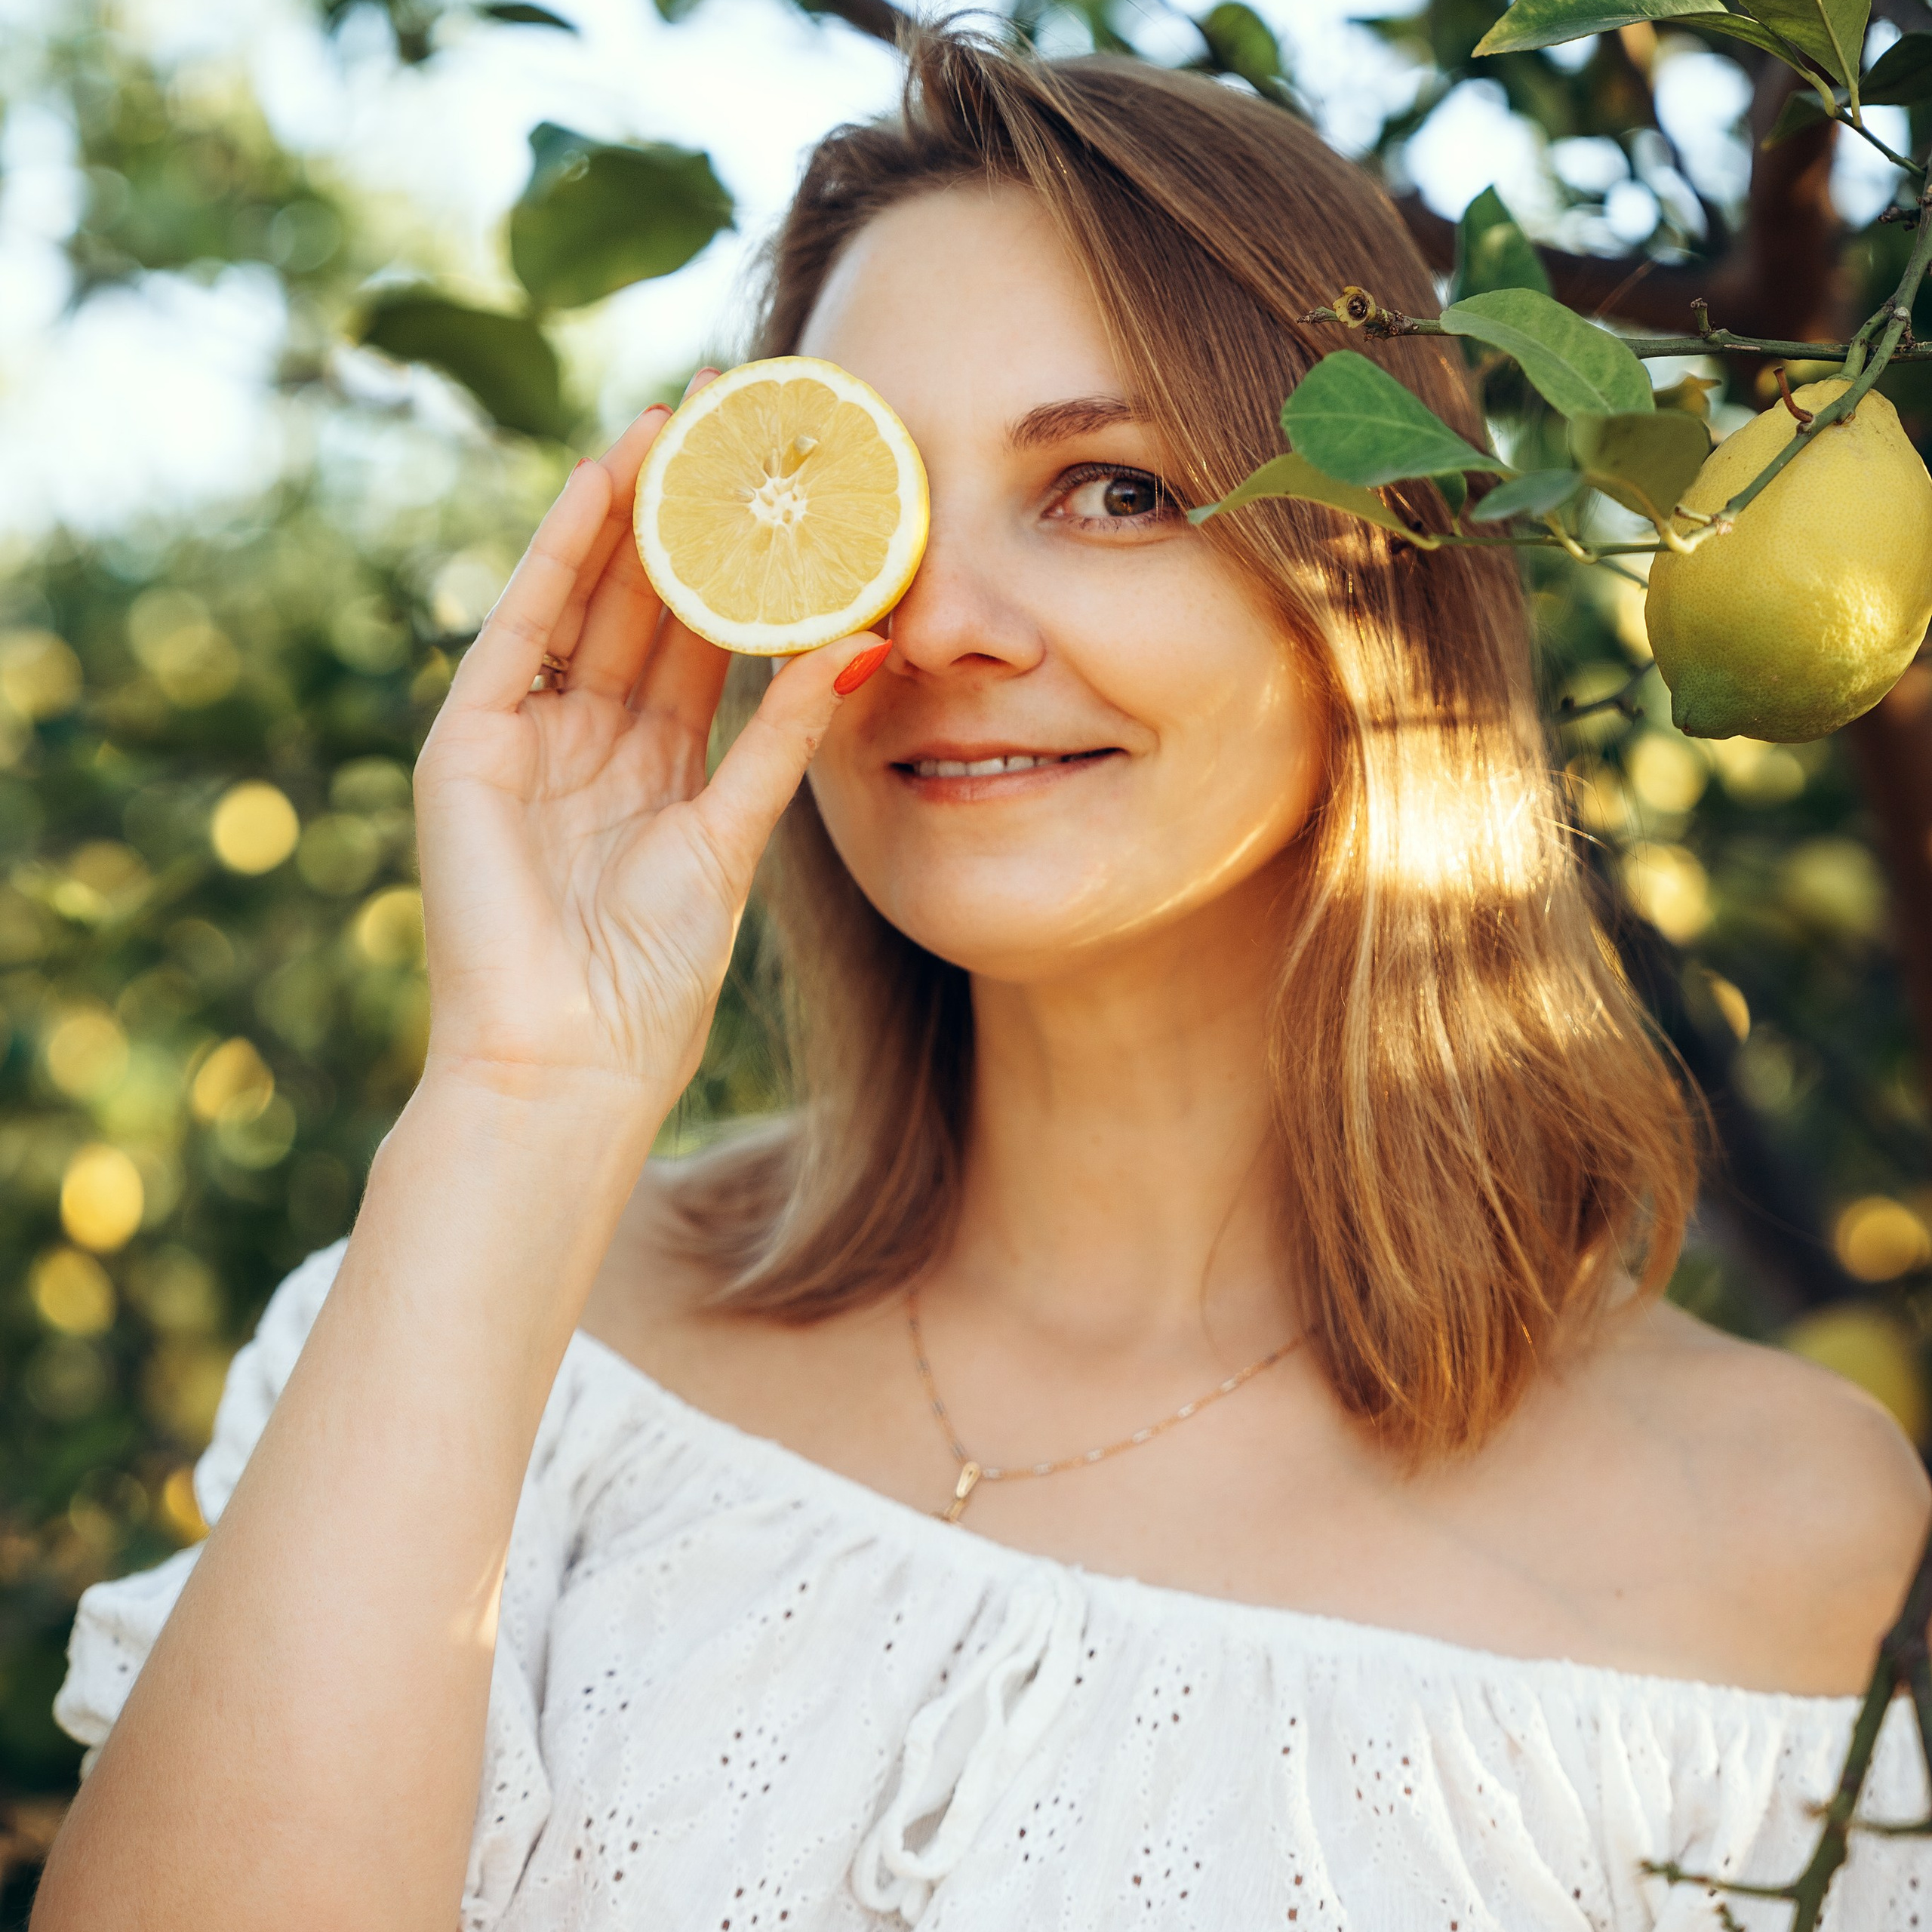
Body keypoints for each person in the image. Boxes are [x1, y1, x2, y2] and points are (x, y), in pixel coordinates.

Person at [32, 27, 1932, 1932]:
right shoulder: (499, 1343)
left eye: (1111, 488)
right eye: (870, 507)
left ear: (1379, 566)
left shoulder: (1774, 1531)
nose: (934, 622)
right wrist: (522, 1100)